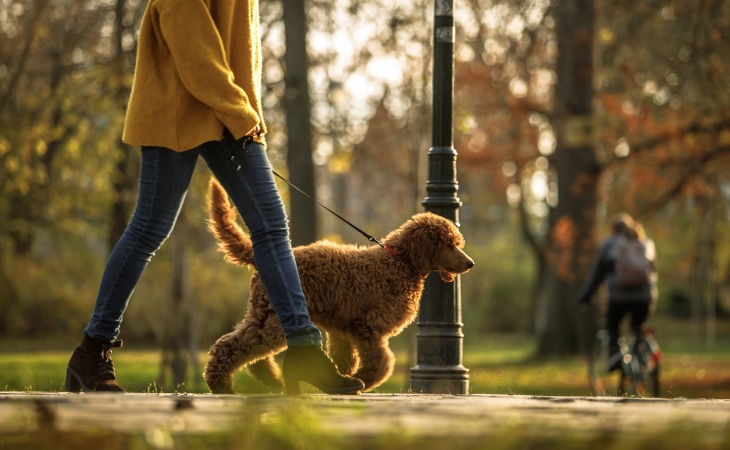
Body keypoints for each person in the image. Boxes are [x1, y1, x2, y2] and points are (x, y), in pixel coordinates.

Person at [64, 0, 364, 395]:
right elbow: (193, 46)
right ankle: (92, 350)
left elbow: (236, 43)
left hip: (225, 107)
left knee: (271, 226)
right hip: (180, 105)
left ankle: (305, 349)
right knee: (149, 229)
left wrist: (240, 108)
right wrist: (240, 111)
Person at [576, 213, 656, 372]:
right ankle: (643, 363)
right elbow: (653, 272)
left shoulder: (609, 244)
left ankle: (615, 355)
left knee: (611, 325)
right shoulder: (645, 243)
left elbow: (596, 276)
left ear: (613, 229)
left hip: (619, 297)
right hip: (644, 298)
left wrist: (583, 298)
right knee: (637, 328)